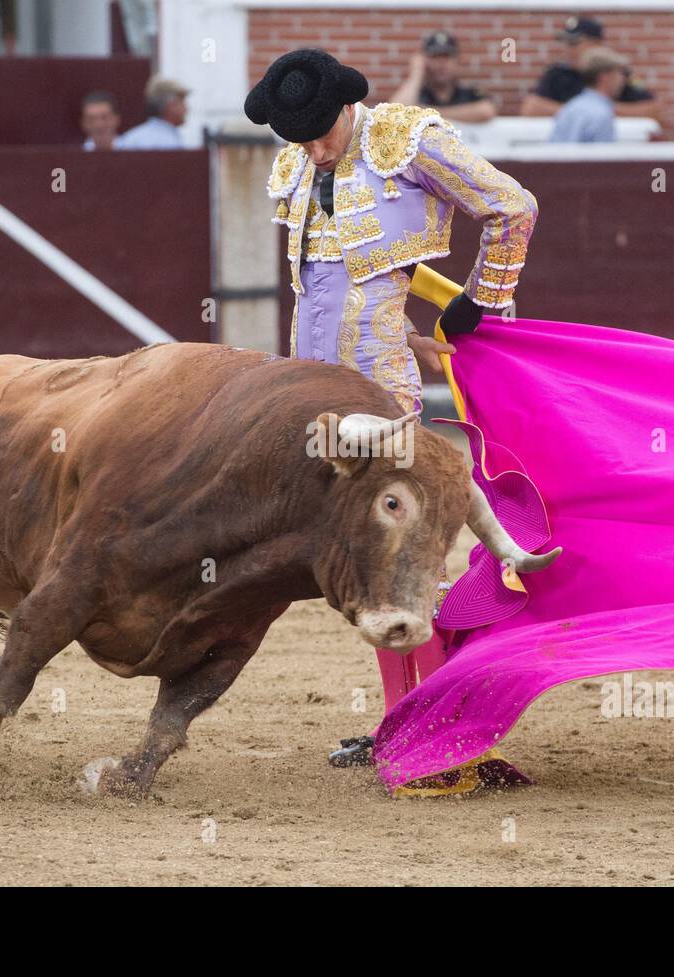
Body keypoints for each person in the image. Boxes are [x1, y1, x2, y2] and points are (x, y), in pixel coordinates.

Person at [244, 48, 537, 771]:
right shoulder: (297, 164)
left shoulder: (404, 138)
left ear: (348, 107)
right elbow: (328, 287)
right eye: (298, 138)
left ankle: (444, 729)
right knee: (373, 566)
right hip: (317, 397)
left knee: (409, 563)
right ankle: (400, 724)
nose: (311, 149)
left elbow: (513, 206)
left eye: (320, 133)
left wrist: (480, 305)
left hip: (382, 390)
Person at [521, 14, 656, 119]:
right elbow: (531, 108)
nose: (567, 50)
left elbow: (654, 110)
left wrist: (601, 110)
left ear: (596, 44)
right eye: (565, 43)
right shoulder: (557, 74)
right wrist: (582, 111)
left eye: (574, 44)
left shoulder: (615, 71)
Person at [390, 30, 496, 124]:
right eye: (435, 57)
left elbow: (487, 111)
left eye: (446, 57)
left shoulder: (470, 93)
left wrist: (427, 112)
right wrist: (416, 74)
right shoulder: (418, 94)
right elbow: (395, 113)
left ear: (457, 61)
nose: (441, 64)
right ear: (425, 61)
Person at [550, 47, 627, 143]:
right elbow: (604, 156)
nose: (623, 80)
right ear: (604, 76)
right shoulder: (601, 114)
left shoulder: (570, 108)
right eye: (619, 73)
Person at [118, 76, 188, 149]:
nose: (186, 109)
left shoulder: (131, 138)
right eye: (182, 102)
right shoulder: (169, 142)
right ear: (171, 105)